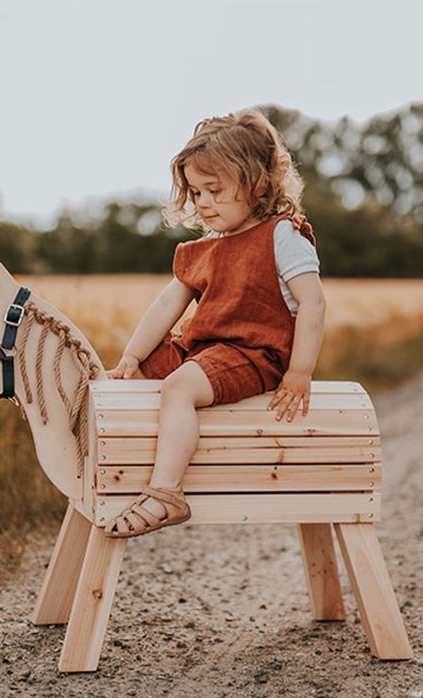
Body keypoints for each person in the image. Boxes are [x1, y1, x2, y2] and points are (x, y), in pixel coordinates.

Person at [103, 108, 326, 538]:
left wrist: (300, 372)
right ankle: (114, 479)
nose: (202, 203)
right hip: (204, 351)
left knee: (180, 386)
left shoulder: (282, 234)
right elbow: (166, 306)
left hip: (255, 354)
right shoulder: (204, 247)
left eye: (214, 190)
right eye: (195, 192)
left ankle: (166, 492)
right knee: (131, 381)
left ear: (257, 184)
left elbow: (312, 303)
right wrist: (133, 356)